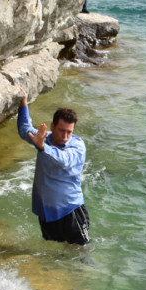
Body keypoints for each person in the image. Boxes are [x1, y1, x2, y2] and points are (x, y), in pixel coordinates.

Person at [16, 87, 90, 245]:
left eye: (69, 132)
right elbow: (24, 130)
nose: (65, 136)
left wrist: (42, 147)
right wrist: (23, 104)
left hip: (70, 211)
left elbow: (63, 160)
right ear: (52, 126)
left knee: (80, 256)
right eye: (62, 131)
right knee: (52, 255)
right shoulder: (45, 139)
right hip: (47, 213)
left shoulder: (77, 146)